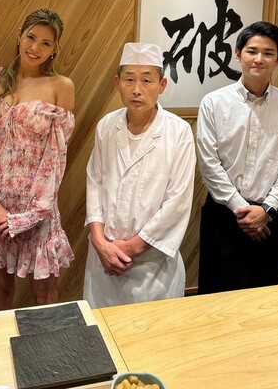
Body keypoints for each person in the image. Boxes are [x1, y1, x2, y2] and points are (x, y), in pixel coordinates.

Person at [0, 8, 75, 310]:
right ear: (19, 36)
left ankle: (48, 343)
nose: (35, 48)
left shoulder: (61, 86)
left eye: (46, 43)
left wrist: (30, 216)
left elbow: (55, 159)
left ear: (55, 48)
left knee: (44, 297)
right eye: (31, 37)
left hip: (37, 208)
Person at [196, 21, 278, 294]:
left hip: (270, 217)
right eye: (252, 51)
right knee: (217, 296)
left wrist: (266, 210)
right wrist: (240, 208)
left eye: (268, 53)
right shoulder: (213, 102)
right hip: (223, 214)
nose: (259, 59)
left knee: (265, 296)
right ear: (238, 54)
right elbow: (209, 163)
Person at [83, 42, 196, 309]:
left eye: (146, 80)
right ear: (117, 83)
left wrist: (130, 249)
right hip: (103, 260)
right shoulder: (106, 126)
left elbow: (177, 202)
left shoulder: (178, 132)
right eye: (129, 79)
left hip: (152, 267)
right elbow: (95, 182)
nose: (136, 89)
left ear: (162, 85)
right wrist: (99, 241)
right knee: (101, 330)